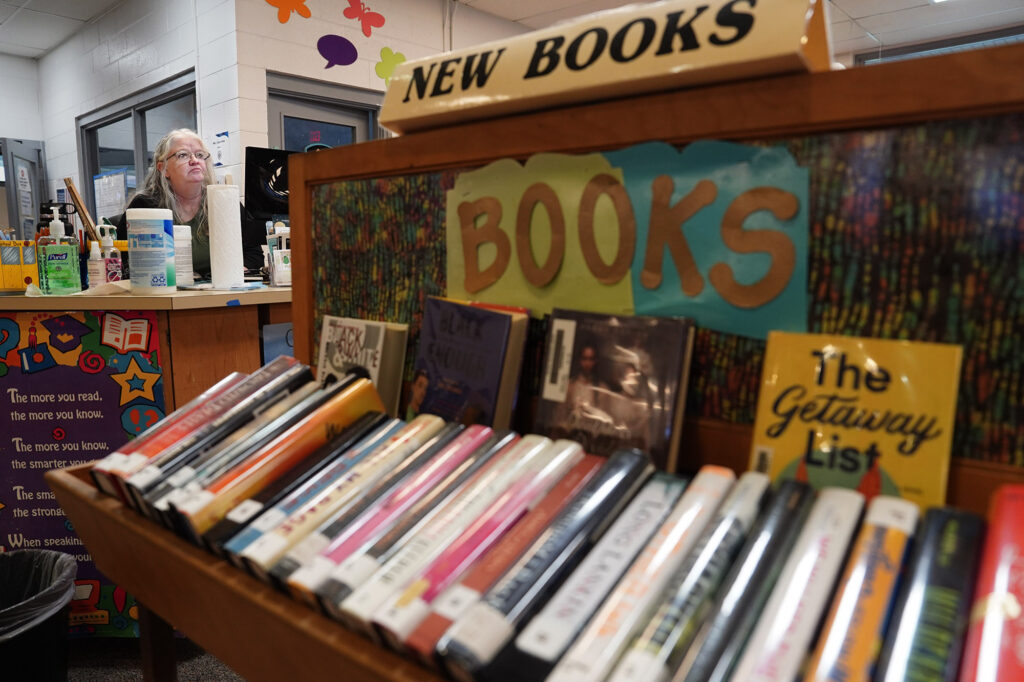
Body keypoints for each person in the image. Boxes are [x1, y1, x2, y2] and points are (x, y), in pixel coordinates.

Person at [114, 128, 265, 277]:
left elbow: (254, 254)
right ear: (163, 168)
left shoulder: (223, 201)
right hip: (165, 295)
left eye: (200, 155)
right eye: (183, 155)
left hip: (221, 292)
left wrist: (237, 271)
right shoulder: (144, 206)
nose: (194, 161)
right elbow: (124, 263)